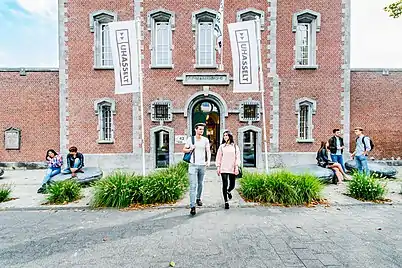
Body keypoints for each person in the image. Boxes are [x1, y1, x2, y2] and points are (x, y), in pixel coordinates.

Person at [182, 123, 211, 216]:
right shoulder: (191, 139)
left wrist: (208, 161)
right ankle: (192, 206)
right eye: (200, 129)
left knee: (200, 184)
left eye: (202, 130)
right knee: (193, 186)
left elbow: (208, 151)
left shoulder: (205, 140)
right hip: (193, 165)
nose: (201, 131)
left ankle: (198, 198)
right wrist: (190, 148)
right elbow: (184, 150)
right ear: (195, 130)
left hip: (202, 165)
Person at [216, 130, 240, 210]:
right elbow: (218, 157)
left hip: (232, 167)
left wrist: (236, 167)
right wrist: (218, 167)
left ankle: (229, 191)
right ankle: (226, 201)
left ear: (230, 136)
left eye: (226, 135)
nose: (225, 137)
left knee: (232, 185)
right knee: (224, 184)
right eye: (224, 135)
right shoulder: (222, 146)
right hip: (223, 167)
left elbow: (237, 157)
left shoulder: (235, 146)